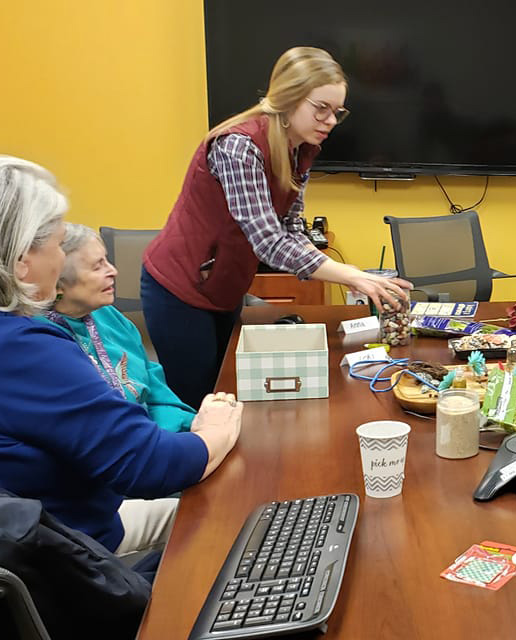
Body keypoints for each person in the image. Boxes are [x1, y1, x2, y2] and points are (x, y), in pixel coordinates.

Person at [141, 46, 412, 409]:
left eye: (337, 112)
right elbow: (269, 241)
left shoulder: (299, 151)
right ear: (288, 97)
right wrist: (350, 277)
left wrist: (352, 274)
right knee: (197, 405)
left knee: (226, 393)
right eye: (321, 108)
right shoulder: (238, 147)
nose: (330, 120)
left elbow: (291, 228)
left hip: (220, 288)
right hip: (178, 291)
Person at [0, 155, 243, 557]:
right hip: (80, 552)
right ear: (23, 262)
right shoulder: (27, 350)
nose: (61, 261)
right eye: (60, 246)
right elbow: (149, 465)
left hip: (58, 532)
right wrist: (218, 430)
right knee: (235, 514)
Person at [37, 223, 195, 432]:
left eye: (107, 261)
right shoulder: (38, 340)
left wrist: (199, 425)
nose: (113, 271)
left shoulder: (107, 314)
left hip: (157, 437)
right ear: (57, 283)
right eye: (97, 266)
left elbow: (158, 393)